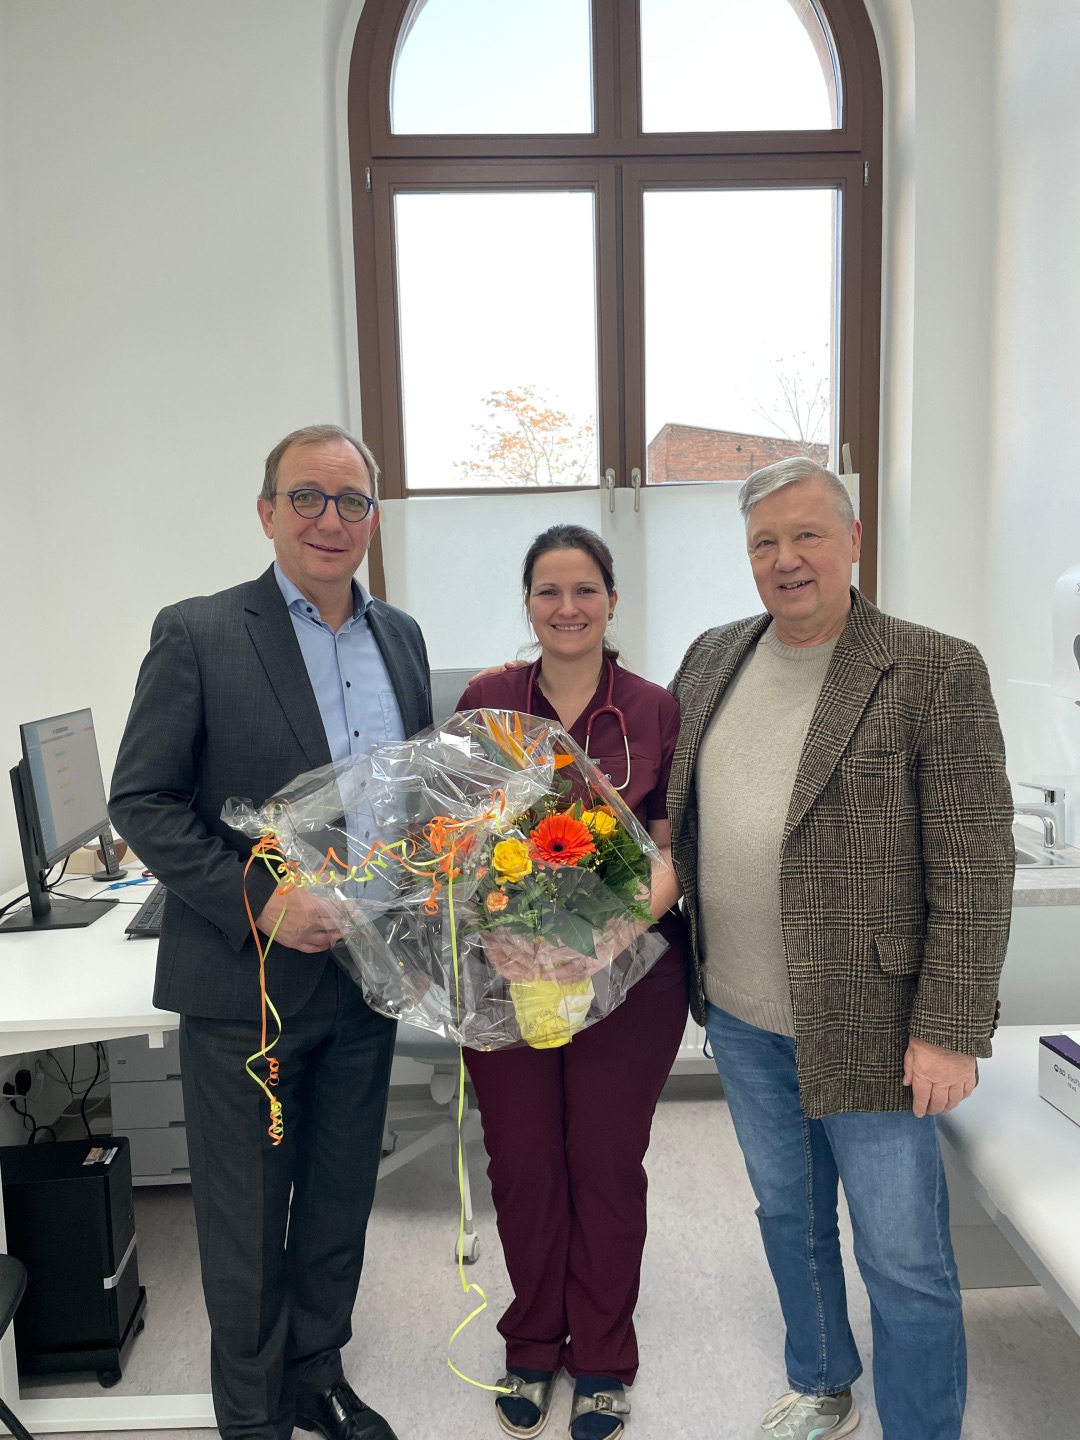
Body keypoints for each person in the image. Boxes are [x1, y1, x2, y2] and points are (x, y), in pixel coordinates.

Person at [667, 457, 1014, 1440]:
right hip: (742, 1014)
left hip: (878, 1023)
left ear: (854, 540)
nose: (786, 559)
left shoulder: (933, 670)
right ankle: (822, 1381)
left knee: (903, 1257)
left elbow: (975, 866)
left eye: (807, 535)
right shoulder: (710, 659)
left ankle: (922, 1428)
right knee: (790, 1218)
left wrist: (950, 1029)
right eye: (764, 543)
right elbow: (676, 823)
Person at [110, 424, 431, 1440]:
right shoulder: (200, 631)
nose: (330, 520)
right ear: (266, 512)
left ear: (373, 520)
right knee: (246, 1220)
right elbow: (143, 800)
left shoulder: (401, 637)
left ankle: (315, 1375)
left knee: (338, 1199)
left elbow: (411, 801)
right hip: (243, 987)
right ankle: (251, 1418)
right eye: (307, 497)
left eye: (351, 501)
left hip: (368, 975)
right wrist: (261, 901)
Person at [458, 524, 690, 1440]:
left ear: (612, 601)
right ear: (527, 603)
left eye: (585, 589)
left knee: (603, 1160)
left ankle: (601, 1357)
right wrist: (501, 936)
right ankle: (530, 1342)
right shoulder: (486, 703)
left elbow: (672, 848)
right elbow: (453, 843)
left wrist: (605, 939)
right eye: (548, 591)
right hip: (505, 971)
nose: (567, 607)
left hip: (629, 974)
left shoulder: (653, 708)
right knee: (521, 1160)